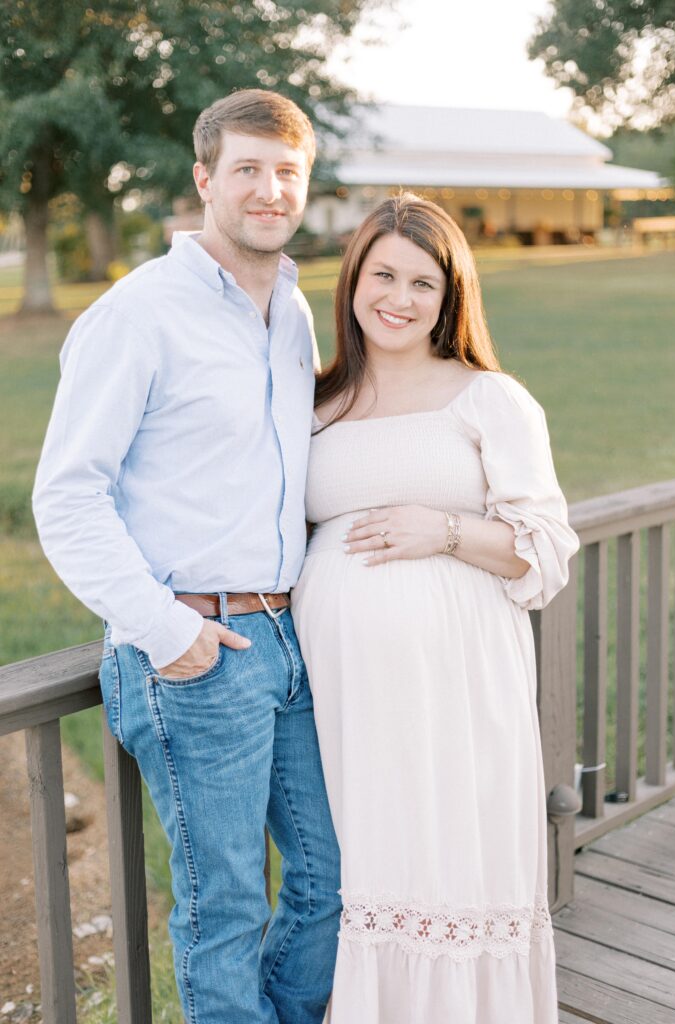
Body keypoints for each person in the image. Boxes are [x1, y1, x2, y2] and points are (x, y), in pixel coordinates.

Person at [33, 89, 341, 1024]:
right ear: (204, 179)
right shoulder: (139, 314)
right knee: (225, 909)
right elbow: (68, 494)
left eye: (286, 171)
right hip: (195, 654)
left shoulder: (289, 313)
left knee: (332, 881)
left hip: (290, 643)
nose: (268, 188)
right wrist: (170, 633)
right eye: (247, 168)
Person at [290, 192, 580, 1023]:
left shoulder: (487, 398)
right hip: (348, 699)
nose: (400, 298)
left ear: (450, 296)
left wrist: (445, 530)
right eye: (383, 274)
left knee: (454, 864)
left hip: (458, 689)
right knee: (369, 870)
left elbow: (546, 545)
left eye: (424, 282)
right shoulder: (313, 406)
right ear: (351, 281)